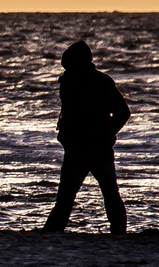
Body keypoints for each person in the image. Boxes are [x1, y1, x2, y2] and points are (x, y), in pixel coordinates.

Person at [43, 40, 130, 234]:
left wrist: (106, 133)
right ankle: (119, 233)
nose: (66, 71)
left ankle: (51, 232)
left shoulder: (71, 83)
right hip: (98, 147)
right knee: (110, 194)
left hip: (80, 149)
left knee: (66, 196)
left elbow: (121, 112)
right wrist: (108, 133)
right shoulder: (103, 81)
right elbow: (123, 112)